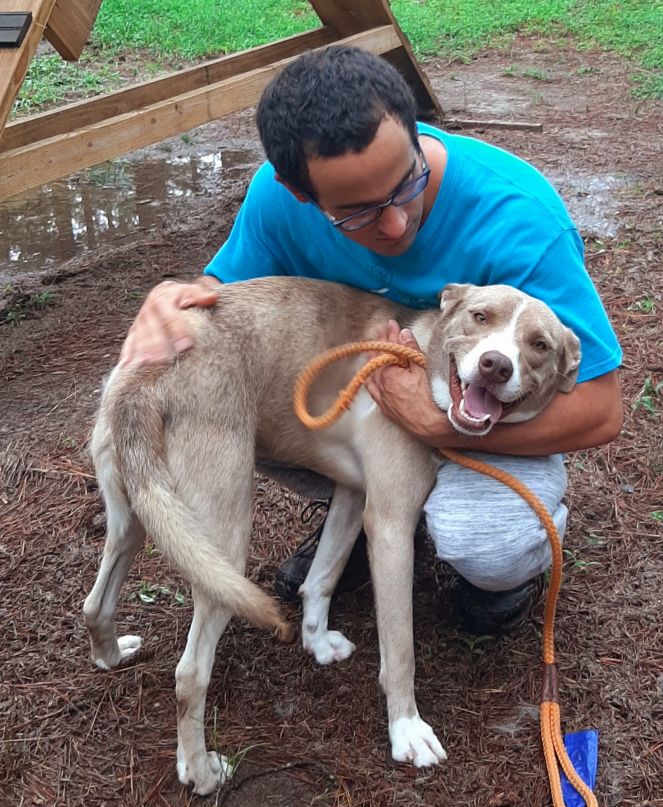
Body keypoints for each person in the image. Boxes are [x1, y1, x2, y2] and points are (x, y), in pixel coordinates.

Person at [121, 46, 623, 635]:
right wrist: (177, 297)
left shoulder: (520, 220)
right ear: (298, 191)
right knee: (226, 399)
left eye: (406, 185)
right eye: (356, 212)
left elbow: (602, 410)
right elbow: (221, 290)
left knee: (488, 543)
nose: (393, 225)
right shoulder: (276, 198)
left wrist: (436, 424)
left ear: (417, 134)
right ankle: (370, 518)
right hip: (371, 417)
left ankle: (500, 568)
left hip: (498, 420)